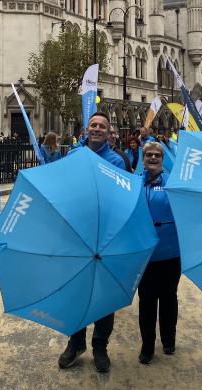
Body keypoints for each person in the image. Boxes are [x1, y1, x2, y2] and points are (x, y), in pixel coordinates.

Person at [60, 111, 130, 373]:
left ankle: (100, 345)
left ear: (109, 132)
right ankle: (76, 342)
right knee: (76, 292)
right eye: (93, 125)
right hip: (77, 234)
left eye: (102, 126)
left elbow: (119, 199)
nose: (97, 129)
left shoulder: (117, 161)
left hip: (105, 236)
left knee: (104, 295)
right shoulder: (74, 156)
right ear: (86, 129)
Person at [138, 142, 181, 365]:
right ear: (143, 158)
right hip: (145, 255)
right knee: (146, 302)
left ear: (162, 159)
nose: (153, 158)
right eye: (148, 155)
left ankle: (168, 340)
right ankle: (147, 346)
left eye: (156, 155)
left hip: (171, 253)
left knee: (168, 299)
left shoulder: (172, 182)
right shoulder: (136, 183)